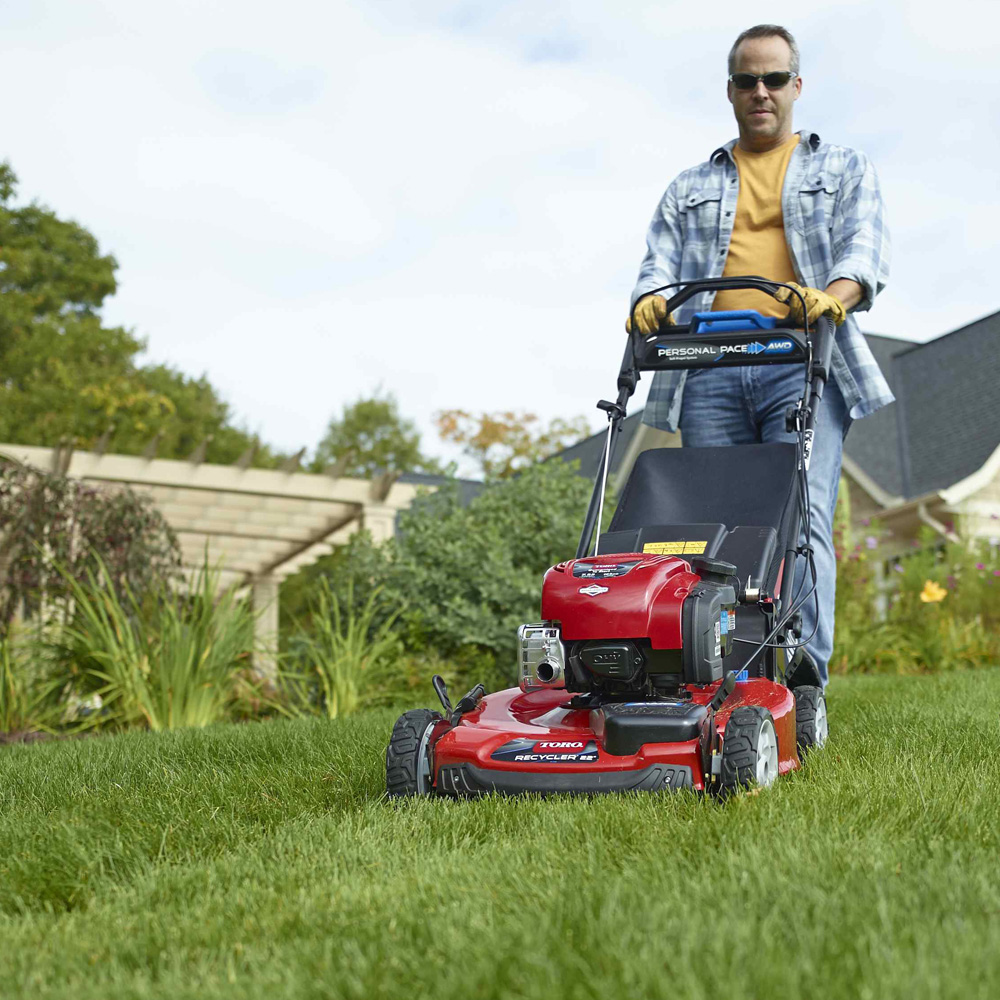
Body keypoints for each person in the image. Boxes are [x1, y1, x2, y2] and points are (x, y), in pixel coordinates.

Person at [628, 24, 891, 686]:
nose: (761, 92)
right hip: (707, 365)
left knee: (798, 519)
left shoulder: (843, 167)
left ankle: (801, 683)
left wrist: (833, 294)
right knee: (709, 528)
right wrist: (647, 303)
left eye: (774, 79)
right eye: (748, 80)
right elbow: (657, 266)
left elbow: (866, 244)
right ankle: (719, 676)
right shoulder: (690, 186)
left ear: (796, 86)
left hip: (799, 361)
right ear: (731, 91)